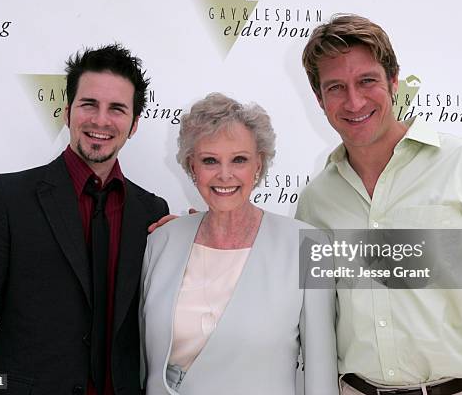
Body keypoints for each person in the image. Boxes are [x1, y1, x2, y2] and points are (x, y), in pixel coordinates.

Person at [295, 14, 462, 394]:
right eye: (336, 87)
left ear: (394, 80)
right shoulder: (316, 202)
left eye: (367, 81)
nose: (354, 100)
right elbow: (313, 323)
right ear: (319, 99)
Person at [0, 44, 169, 395]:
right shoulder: (7, 198)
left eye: (117, 109)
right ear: (67, 111)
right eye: (88, 104)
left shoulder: (152, 213)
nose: (100, 120)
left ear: (134, 124)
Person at [140, 93, 338, 395]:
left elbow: (320, 373)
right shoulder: (162, 241)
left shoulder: (308, 245)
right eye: (210, 160)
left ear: (258, 164)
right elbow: (145, 362)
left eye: (239, 160)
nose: (224, 174)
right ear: (192, 166)